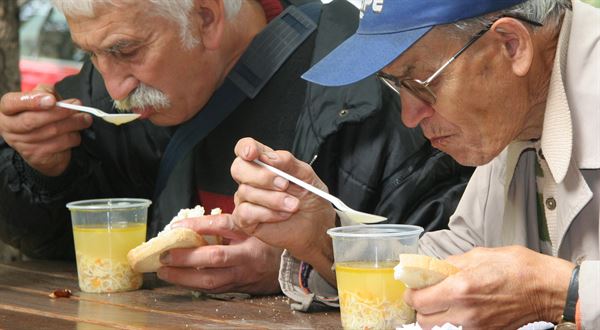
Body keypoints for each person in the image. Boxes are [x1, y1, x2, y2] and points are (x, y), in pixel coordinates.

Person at [0, 0, 470, 296]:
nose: (113, 85)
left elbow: (451, 268)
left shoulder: (377, 91)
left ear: (205, 18)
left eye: (125, 52)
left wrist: (300, 267)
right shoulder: (104, 94)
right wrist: (42, 168)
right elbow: (57, 247)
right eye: (91, 55)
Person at [231, 0, 600, 327]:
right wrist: (322, 236)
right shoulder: (511, 113)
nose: (410, 116)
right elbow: (449, 270)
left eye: (421, 83)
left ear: (511, 45)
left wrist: (560, 292)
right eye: (396, 87)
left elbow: (536, 288)